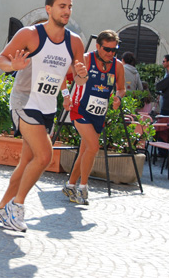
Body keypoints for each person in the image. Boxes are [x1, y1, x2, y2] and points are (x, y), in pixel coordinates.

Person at [0, 0, 87, 232]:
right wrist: (13, 64)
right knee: (44, 156)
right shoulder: (30, 34)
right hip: (24, 101)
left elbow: (77, 76)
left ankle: (1, 207)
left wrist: (81, 77)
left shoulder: (74, 42)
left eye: (70, 6)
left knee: (26, 163)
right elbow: (0, 60)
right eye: (62, 6)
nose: (67, 11)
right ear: (49, 8)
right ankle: (17, 207)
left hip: (47, 105)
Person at [64, 30, 125, 206]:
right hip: (80, 109)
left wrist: (118, 98)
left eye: (114, 50)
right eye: (107, 49)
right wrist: (66, 96)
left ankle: (70, 185)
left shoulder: (118, 66)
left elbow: (121, 88)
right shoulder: (86, 59)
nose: (110, 53)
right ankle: (82, 189)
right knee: (93, 146)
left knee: (85, 151)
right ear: (97, 46)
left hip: (98, 114)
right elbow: (64, 75)